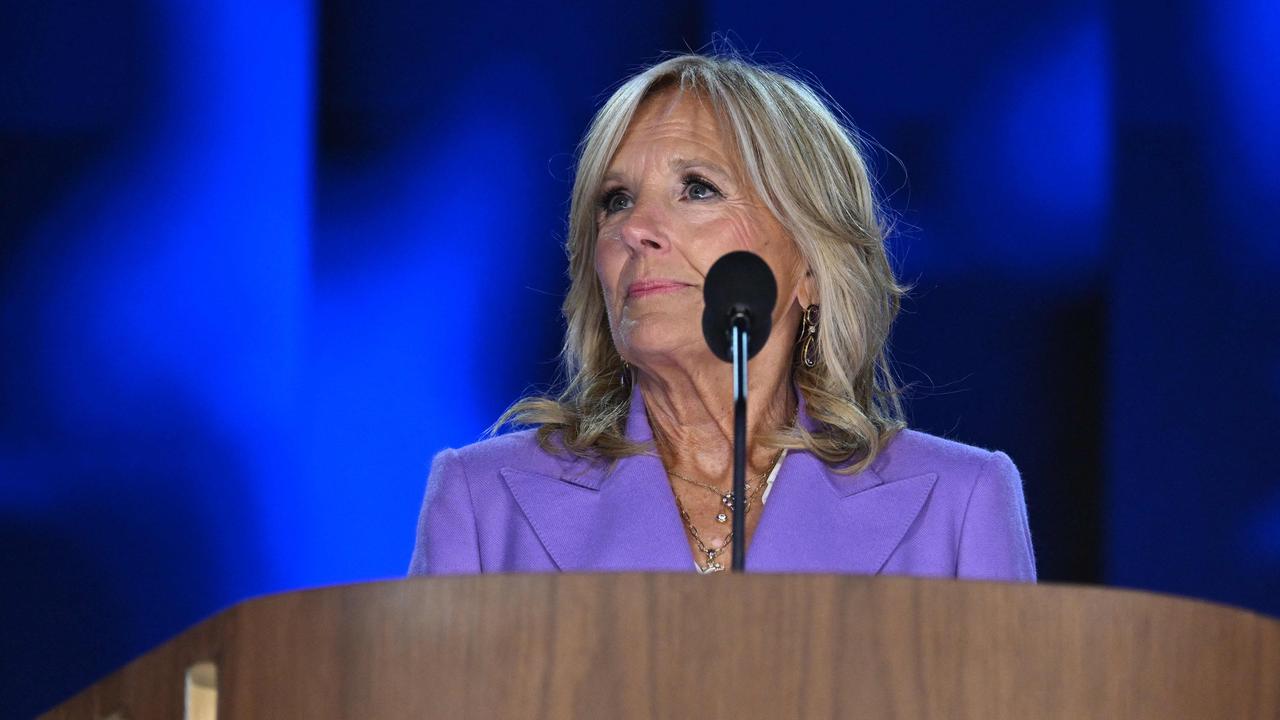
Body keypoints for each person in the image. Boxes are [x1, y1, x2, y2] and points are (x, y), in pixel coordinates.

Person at [408, 53, 1036, 580]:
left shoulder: (960, 505)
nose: (636, 230)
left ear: (811, 266)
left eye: (698, 188)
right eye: (616, 200)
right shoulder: (482, 503)